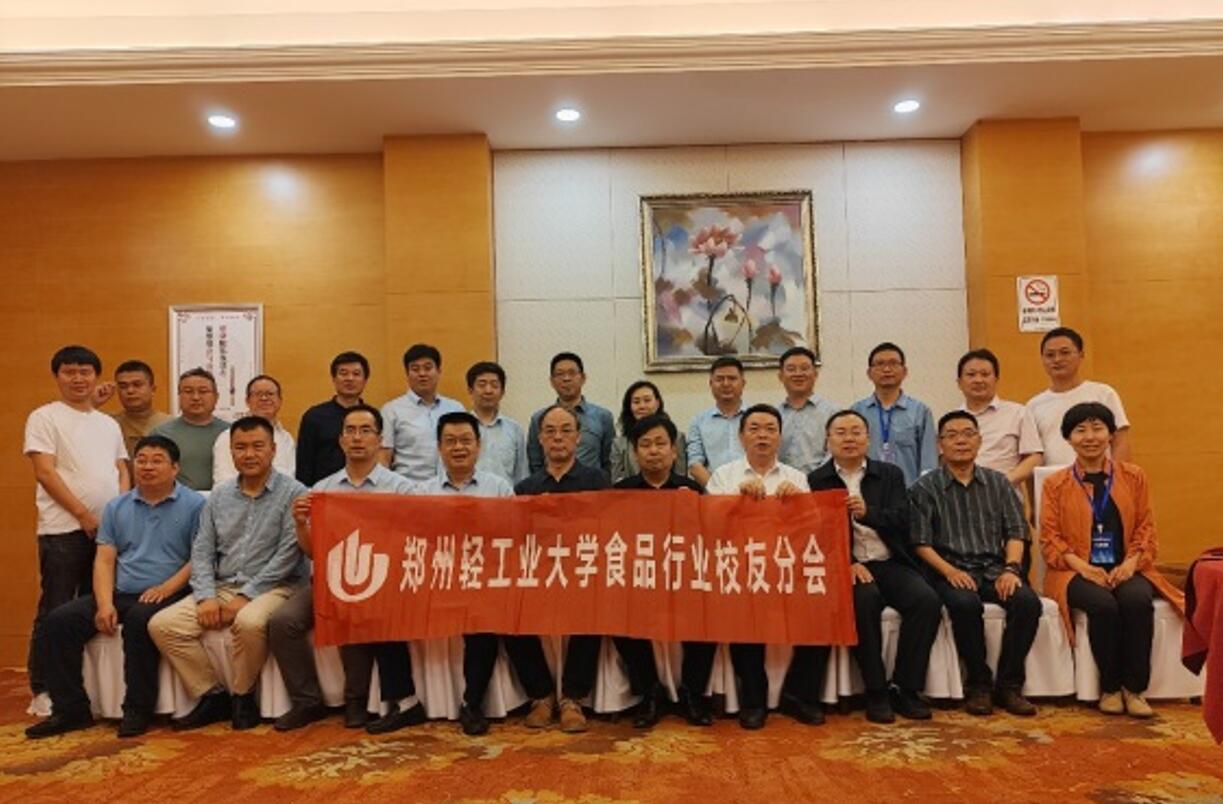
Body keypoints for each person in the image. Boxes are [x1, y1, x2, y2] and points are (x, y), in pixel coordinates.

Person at [25, 436, 205, 739]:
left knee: (138, 621)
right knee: (58, 622)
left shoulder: (196, 505)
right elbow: (105, 560)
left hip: (173, 591)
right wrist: (105, 603)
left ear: (175, 468)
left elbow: (199, 557)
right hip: (123, 592)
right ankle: (70, 710)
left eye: (157, 460)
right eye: (141, 460)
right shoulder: (117, 506)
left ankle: (138, 709)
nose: (147, 467)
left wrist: (166, 588)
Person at [270, 404, 423, 734]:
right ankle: (307, 701)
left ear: (379, 440)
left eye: (365, 431)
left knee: (364, 607)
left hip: (383, 583)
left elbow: (411, 542)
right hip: (329, 580)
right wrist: (300, 524)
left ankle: (358, 700)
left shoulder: (401, 489)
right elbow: (312, 552)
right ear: (340, 440)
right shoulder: (322, 490)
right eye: (350, 431)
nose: (357, 438)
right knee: (283, 622)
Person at [148, 416, 307, 731]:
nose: (249, 454)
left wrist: (247, 595)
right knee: (163, 625)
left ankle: (242, 695)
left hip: (276, 586)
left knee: (249, 622)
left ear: (273, 450)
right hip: (223, 584)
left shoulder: (295, 492)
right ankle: (213, 694)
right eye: (240, 447)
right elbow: (202, 551)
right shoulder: (219, 496)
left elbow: (288, 555)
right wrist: (206, 596)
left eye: (258, 446)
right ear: (231, 452)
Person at [796, 410, 941, 724]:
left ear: (868, 438)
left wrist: (868, 513)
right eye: (841, 432)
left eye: (856, 431)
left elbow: (903, 520)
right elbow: (815, 535)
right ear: (828, 440)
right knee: (864, 601)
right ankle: (876, 691)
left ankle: (906, 688)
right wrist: (845, 564)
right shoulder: (816, 480)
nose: (849, 438)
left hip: (890, 561)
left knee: (926, 601)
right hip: (848, 567)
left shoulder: (889, 474)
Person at [1039, 402, 1184, 718]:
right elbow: (1050, 538)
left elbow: (1146, 527)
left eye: (1097, 428)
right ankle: (1110, 688)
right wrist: (1084, 567)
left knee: (1137, 602)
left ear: (1110, 435)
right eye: (1080, 430)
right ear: (1068, 438)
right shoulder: (1056, 484)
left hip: (1127, 566)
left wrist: (1131, 563)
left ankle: (1135, 689)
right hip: (1073, 571)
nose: (1090, 437)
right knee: (1103, 606)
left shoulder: (1133, 476)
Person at [417, 411, 554, 736]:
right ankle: (476, 702)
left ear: (478, 446)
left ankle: (532, 697)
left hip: (491, 578)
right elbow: (418, 541)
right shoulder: (423, 493)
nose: (458, 448)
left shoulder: (498, 487)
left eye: (466, 440)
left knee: (504, 613)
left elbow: (515, 536)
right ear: (439, 447)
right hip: (444, 580)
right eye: (450, 441)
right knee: (485, 615)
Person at [911, 411, 1040, 717]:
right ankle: (979, 685)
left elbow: (1016, 532)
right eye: (952, 435)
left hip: (995, 569)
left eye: (968, 434)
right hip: (949, 570)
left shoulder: (999, 483)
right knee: (964, 604)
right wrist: (950, 571)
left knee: (1027, 602)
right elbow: (920, 543)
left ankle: (1009, 686)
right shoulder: (925, 487)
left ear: (980, 441)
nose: (961, 441)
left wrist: (1011, 569)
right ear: (940, 444)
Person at [23, 345, 130, 713]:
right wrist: (83, 514)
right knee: (55, 609)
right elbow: (45, 472)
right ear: (57, 376)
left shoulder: (108, 423)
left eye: (85, 371)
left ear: (96, 376)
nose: (78, 378)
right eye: (69, 372)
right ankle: (43, 688)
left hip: (106, 534)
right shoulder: (44, 417)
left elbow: (121, 470)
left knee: (93, 608)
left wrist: (119, 514)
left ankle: (83, 687)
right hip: (64, 530)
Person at [706, 403, 809, 729]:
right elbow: (708, 526)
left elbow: (812, 531)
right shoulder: (724, 476)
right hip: (739, 568)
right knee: (742, 606)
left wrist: (799, 505)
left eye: (770, 429)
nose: (762, 435)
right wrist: (735, 499)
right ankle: (753, 699)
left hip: (786, 568)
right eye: (754, 429)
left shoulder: (796, 477)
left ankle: (798, 694)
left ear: (780, 437)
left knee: (823, 603)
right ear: (741, 437)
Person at [516, 404, 615, 733]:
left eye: (565, 431)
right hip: (539, 573)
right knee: (510, 611)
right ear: (540, 439)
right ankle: (541, 696)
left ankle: (573, 698)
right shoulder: (526, 488)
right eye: (550, 431)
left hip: (584, 570)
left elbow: (608, 529)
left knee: (593, 605)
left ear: (578, 437)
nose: (558, 437)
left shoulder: (597, 481)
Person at [614, 413, 707, 728]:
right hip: (637, 579)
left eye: (660, 443)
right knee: (619, 615)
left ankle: (693, 693)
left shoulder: (691, 490)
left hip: (684, 578)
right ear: (634, 452)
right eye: (645, 445)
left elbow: (705, 540)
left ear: (674, 450)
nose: (653, 451)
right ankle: (649, 692)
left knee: (708, 612)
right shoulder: (620, 492)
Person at [1026, 327, 1131, 466]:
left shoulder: (1104, 393)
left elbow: (1120, 442)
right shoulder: (1033, 405)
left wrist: (1117, 476)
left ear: (1081, 355)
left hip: (1099, 477)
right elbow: (1032, 454)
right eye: (1050, 355)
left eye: (1065, 353)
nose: (1057, 359)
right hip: (1052, 478)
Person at [851, 342, 937, 487]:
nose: (887, 369)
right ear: (869, 373)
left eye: (893, 363)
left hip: (908, 491)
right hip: (867, 491)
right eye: (880, 364)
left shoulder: (920, 411)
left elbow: (928, 463)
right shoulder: (857, 412)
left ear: (905, 371)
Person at [956, 348, 1042, 486]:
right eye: (971, 375)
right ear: (959, 382)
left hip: (1004, 491)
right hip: (961, 492)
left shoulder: (1018, 413)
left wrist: (1005, 481)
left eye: (985, 374)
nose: (978, 380)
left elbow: (1034, 457)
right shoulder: (951, 420)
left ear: (996, 379)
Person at [381, 343, 465, 482]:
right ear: (407, 374)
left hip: (451, 487)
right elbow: (384, 458)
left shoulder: (455, 408)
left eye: (428, 368)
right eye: (415, 369)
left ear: (439, 371)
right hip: (409, 488)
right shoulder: (391, 410)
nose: (422, 374)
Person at [526, 352, 614, 477]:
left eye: (572, 373)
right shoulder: (539, 418)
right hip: (551, 486)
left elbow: (608, 461)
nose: (566, 378)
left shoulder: (603, 417)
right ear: (552, 381)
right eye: (560, 374)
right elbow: (535, 463)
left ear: (583, 378)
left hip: (591, 486)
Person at [295, 351, 370, 486]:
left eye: (356, 374)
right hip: (324, 491)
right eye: (343, 373)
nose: (350, 378)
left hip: (365, 490)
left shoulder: (372, 418)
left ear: (365, 380)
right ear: (334, 379)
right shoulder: (314, 416)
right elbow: (304, 464)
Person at [151, 368, 230, 491]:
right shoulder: (161, 434)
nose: (196, 397)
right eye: (188, 391)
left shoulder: (230, 433)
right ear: (179, 396)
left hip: (221, 499)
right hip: (176, 500)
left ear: (216, 397)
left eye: (203, 391)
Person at [212, 375, 296, 486]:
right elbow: (223, 481)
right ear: (247, 401)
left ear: (280, 401)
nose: (264, 398)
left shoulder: (286, 438)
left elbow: (289, 478)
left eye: (270, 394)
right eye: (258, 394)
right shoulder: (227, 437)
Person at [610, 380, 687, 483]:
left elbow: (681, 474)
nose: (642, 406)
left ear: (657, 403)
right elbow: (616, 479)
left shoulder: (677, 437)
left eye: (647, 400)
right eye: (636, 402)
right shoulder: (619, 443)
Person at [687, 356, 748, 487]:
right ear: (711, 384)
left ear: (743, 383)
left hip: (753, 491)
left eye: (732, 378)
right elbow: (695, 465)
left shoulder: (756, 418)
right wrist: (719, 490)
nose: (726, 384)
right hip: (713, 493)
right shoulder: (699, 421)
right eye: (719, 379)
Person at [777, 346, 840, 474]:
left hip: (822, 482)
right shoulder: (774, 415)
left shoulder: (833, 413)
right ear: (781, 376)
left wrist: (816, 478)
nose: (798, 374)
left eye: (804, 368)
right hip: (781, 482)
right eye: (791, 369)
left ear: (815, 374)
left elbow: (836, 451)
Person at [466, 361, 529, 485]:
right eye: (482, 385)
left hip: (505, 496)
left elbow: (522, 474)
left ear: (502, 392)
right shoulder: (459, 428)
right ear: (470, 390)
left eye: (494, 385)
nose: (488, 390)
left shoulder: (514, 429)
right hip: (468, 496)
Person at [94, 360, 173, 460]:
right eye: (123, 386)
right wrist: (93, 403)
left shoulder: (169, 424)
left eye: (137, 385)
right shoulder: (108, 423)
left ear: (153, 389)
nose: (130, 391)